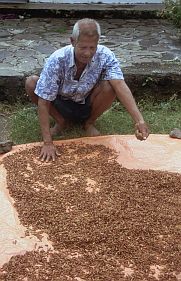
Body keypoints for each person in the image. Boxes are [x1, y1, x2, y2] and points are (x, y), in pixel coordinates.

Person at [25, 18, 149, 162]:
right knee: (32, 83)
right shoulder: (57, 59)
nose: (87, 53)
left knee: (111, 86)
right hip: (60, 102)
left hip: (86, 101)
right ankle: (61, 122)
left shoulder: (105, 55)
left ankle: (88, 123)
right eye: (83, 47)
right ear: (72, 41)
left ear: (98, 43)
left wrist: (139, 120)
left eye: (92, 47)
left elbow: (120, 84)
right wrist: (47, 143)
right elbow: (44, 101)